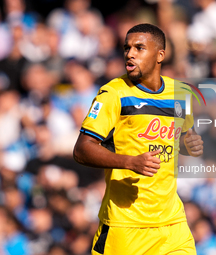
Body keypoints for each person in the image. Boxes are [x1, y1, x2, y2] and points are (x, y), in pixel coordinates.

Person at [73, 23, 203, 255]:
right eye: (127, 47)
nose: (130, 53)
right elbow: (82, 149)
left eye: (139, 48)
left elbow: (180, 137)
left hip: (172, 225)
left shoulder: (181, 94)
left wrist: (189, 144)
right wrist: (130, 162)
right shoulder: (114, 94)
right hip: (125, 227)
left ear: (160, 55)